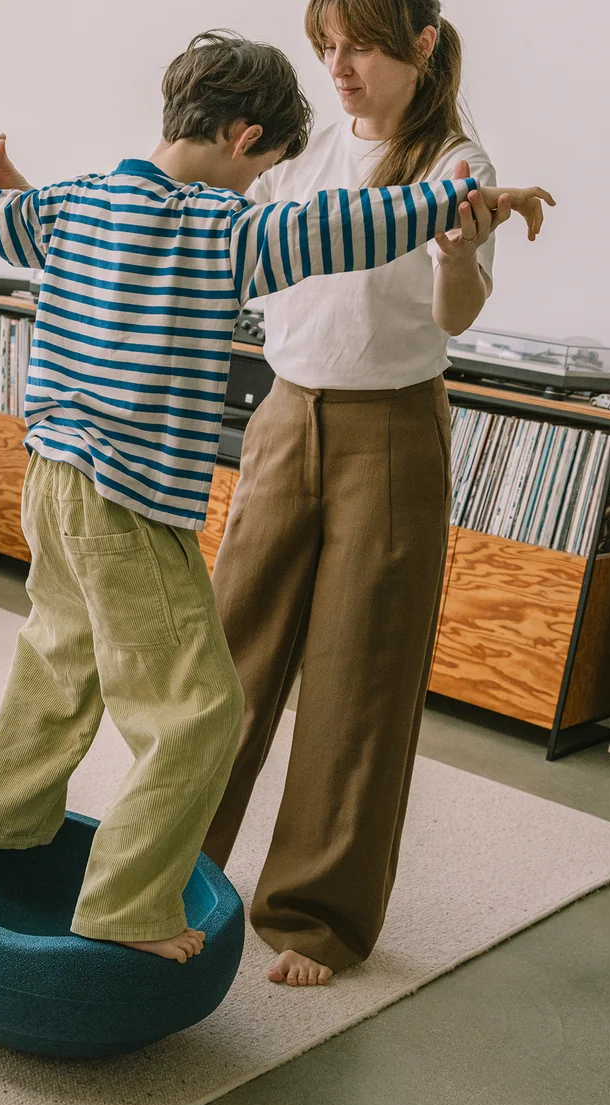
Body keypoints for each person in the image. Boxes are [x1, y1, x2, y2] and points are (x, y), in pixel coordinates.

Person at [0, 30, 550, 964]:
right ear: (243, 139)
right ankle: (126, 907)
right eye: (259, 169)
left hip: (48, 482)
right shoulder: (229, 230)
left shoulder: (69, 203)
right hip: (129, 500)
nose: (257, 184)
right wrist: (467, 201)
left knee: (58, 662)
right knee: (201, 712)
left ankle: (4, 828)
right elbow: (351, 225)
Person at [202, 0, 526, 987]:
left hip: (392, 431)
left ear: (420, 44)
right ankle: (171, 863)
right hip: (285, 415)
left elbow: (457, 314)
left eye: (362, 46)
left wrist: (456, 255)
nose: (339, 66)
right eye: (327, 47)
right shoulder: (298, 149)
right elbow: (216, 229)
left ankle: (315, 915)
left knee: (360, 678)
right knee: (226, 655)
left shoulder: (455, 164)